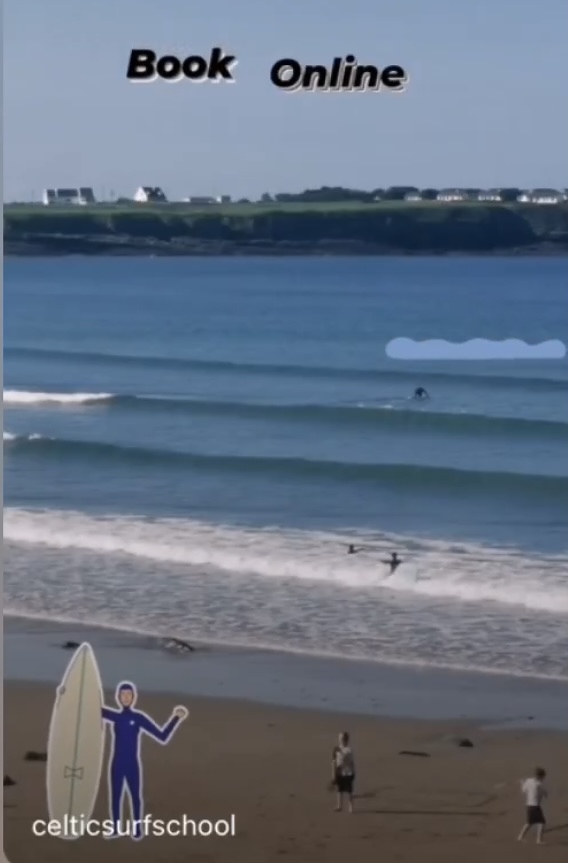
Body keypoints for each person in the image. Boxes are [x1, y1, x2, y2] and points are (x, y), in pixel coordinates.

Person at [517, 767, 547, 845]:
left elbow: (523, 791)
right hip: (535, 806)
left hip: (529, 805)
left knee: (529, 822)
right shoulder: (538, 784)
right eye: (543, 777)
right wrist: (545, 793)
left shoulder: (528, 781)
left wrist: (522, 783)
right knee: (541, 822)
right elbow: (543, 794)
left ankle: (520, 837)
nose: (543, 778)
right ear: (540, 776)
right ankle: (538, 840)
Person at [331, 732, 356, 813]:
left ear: (346, 740)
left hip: (348, 772)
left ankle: (351, 807)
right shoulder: (336, 749)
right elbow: (334, 761)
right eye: (340, 738)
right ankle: (339, 806)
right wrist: (333, 774)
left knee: (349, 790)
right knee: (339, 789)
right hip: (339, 772)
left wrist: (353, 772)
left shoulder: (349, 749)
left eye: (342, 739)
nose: (341, 740)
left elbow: (350, 761)